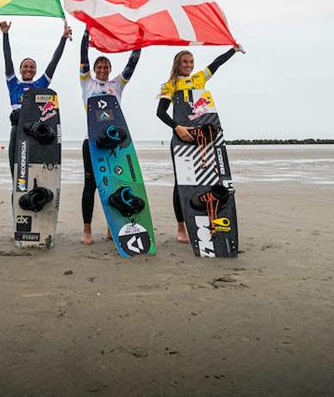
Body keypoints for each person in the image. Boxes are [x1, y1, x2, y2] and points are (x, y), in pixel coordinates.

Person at [155, 45, 244, 243]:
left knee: (206, 179)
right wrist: (177, 127)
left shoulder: (199, 78)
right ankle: (181, 228)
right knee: (181, 183)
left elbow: (217, 63)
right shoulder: (170, 85)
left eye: (191, 62)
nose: (189, 65)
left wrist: (233, 49)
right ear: (178, 63)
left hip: (203, 138)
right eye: (185, 62)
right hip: (182, 139)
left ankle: (209, 221)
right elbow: (160, 113)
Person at [79, 29, 141, 245]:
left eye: (106, 66)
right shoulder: (87, 82)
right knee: (91, 185)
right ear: (95, 69)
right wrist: (85, 35)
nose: (103, 69)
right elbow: (83, 59)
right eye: (99, 66)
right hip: (92, 142)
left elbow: (131, 66)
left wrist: (138, 42)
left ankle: (110, 227)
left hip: (115, 143)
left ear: (110, 69)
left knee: (115, 183)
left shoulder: (117, 85)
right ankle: (87, 230)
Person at [0, 20, 72, 176]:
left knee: (33, 172)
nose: (28, 68)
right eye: (25, 66)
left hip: (35, 130)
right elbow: (7, 59)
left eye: (31, 66)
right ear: (19, 70)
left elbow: (55, 61)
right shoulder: (13, 83)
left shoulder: (41, 84)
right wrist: (5, 35)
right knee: (17, 175)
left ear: (35, 70)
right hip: (17, 130)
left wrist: (64, 38)